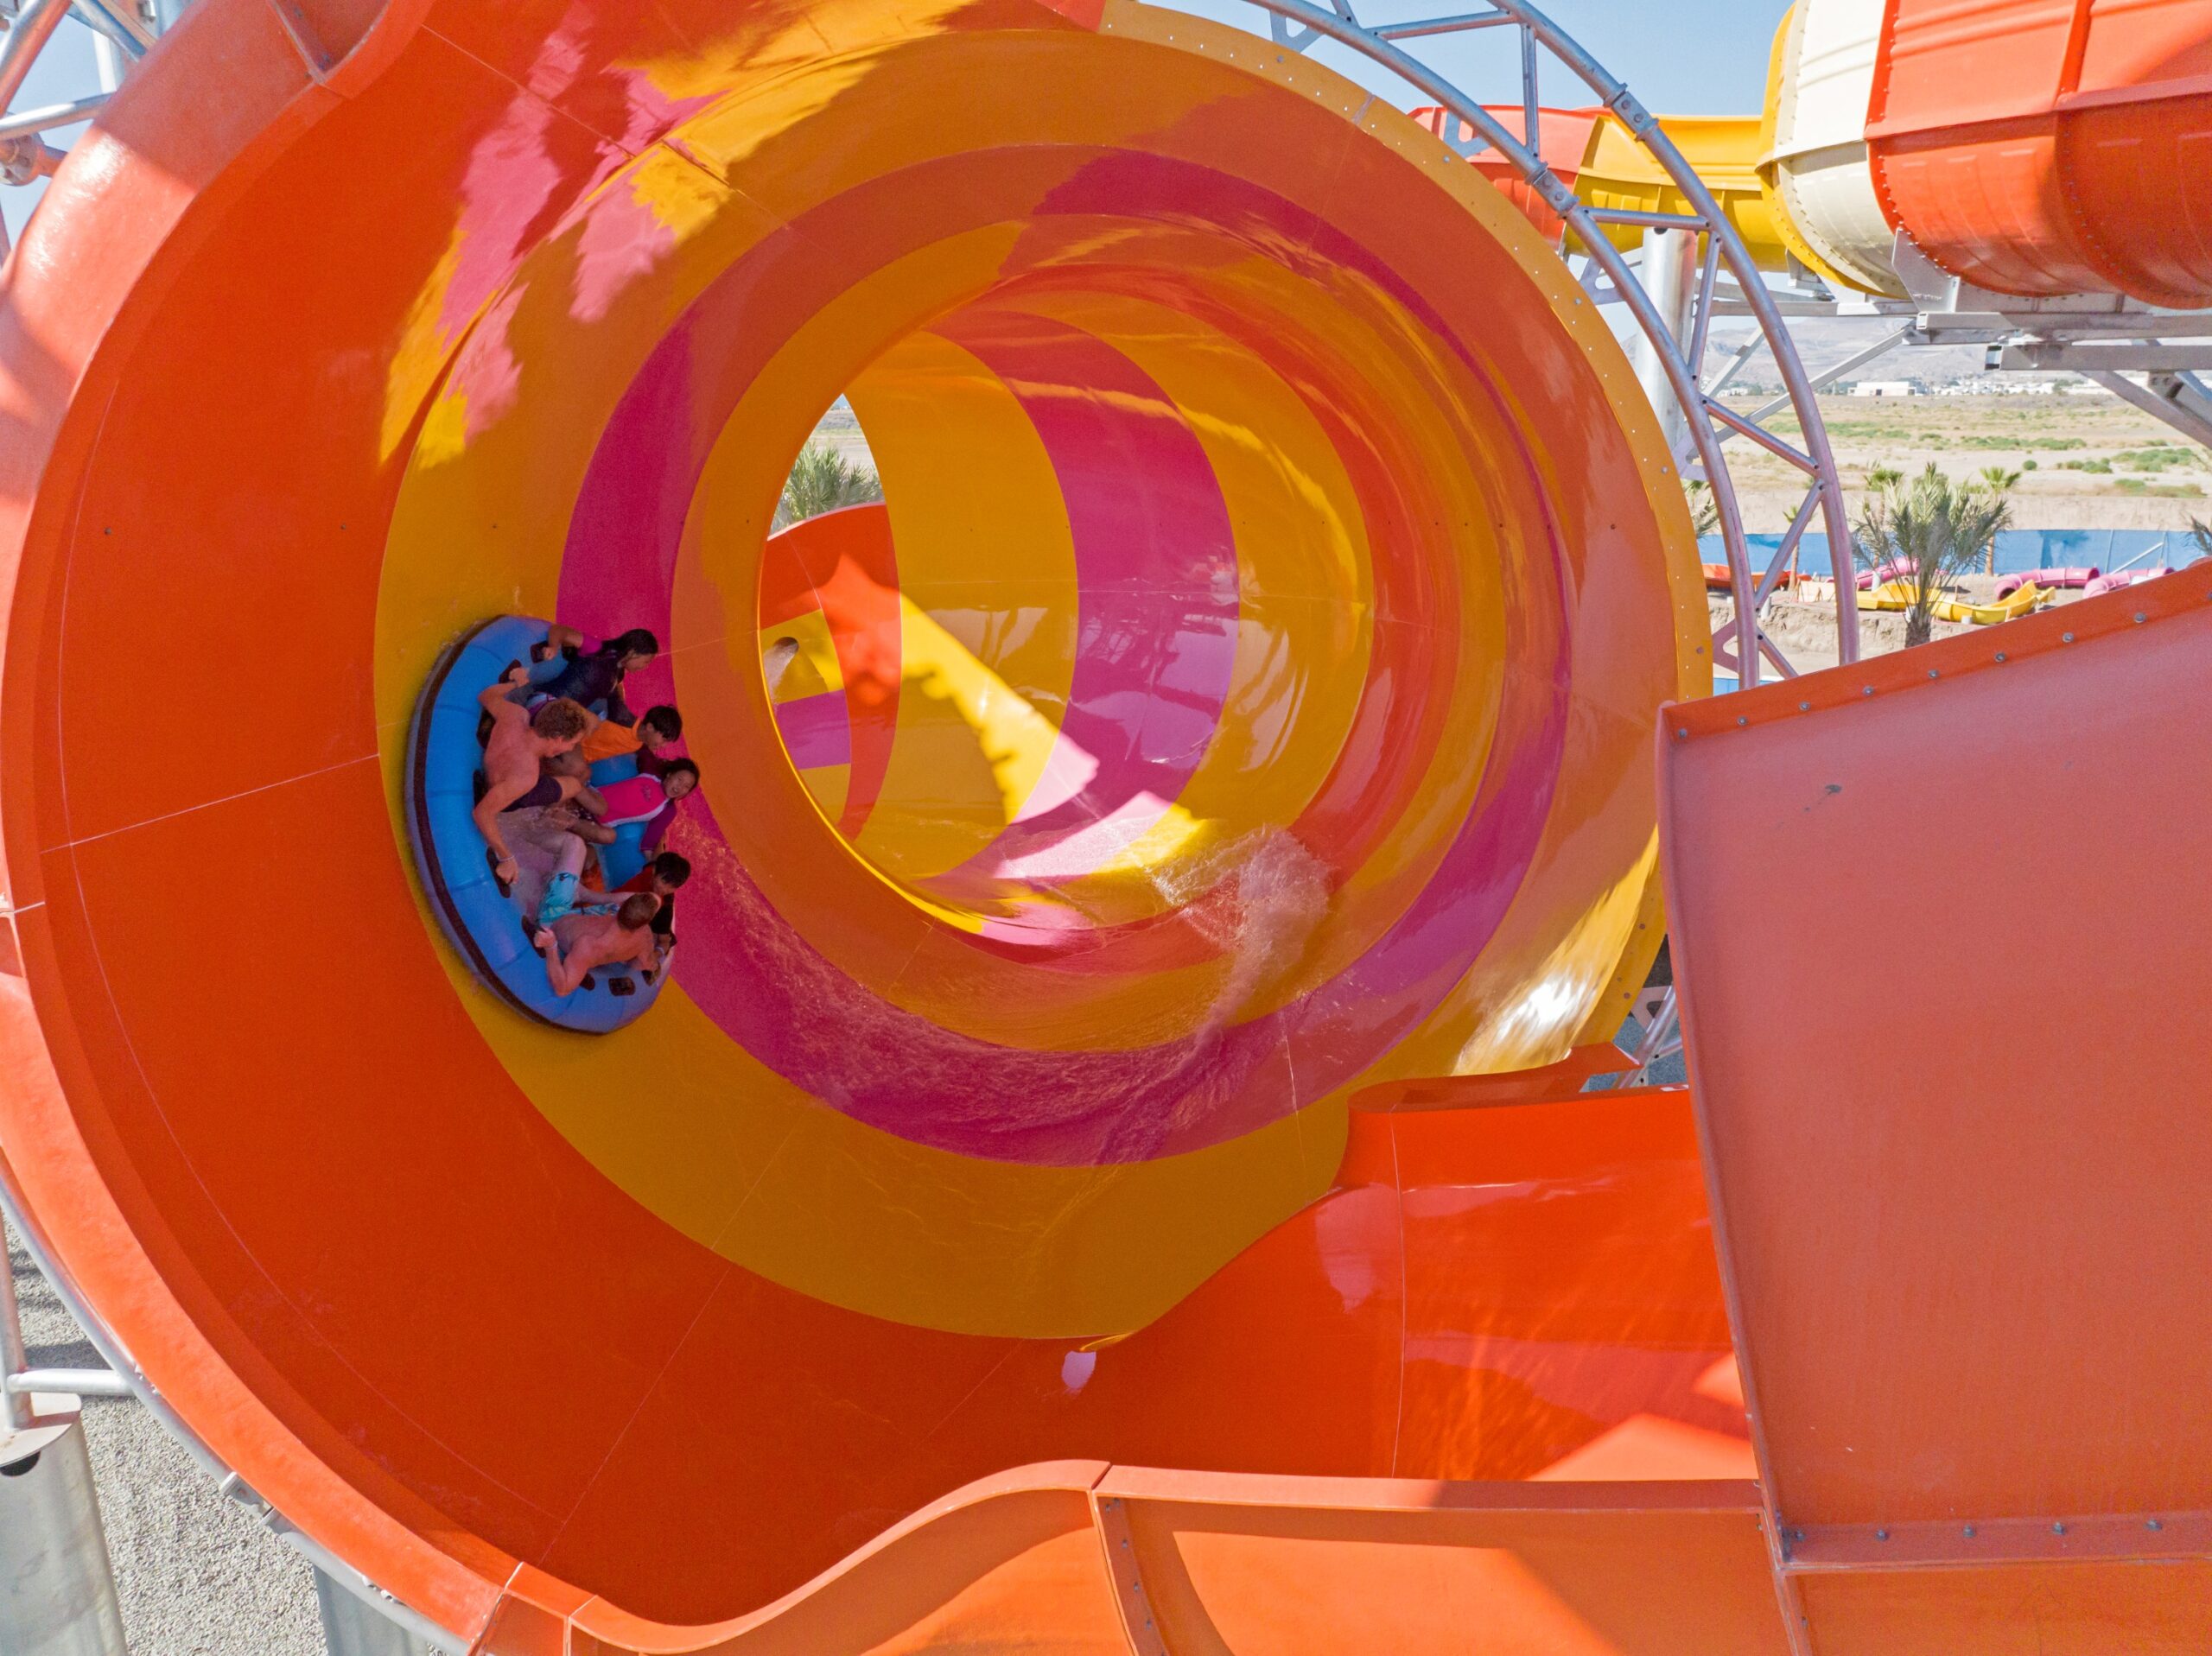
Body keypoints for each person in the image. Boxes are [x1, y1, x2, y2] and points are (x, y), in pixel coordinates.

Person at [474, 667, 588, 893]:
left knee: (569, 776)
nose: (571, 748)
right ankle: (554, 810)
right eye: (571, 743)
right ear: (557, 738)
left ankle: (556, 807)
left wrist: (515, 683)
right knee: (575, 784)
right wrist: (507, 857)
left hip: (499, 769)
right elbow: (482, 813)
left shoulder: (516, 715)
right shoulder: (527, 776)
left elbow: (486, 696)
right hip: (510, 792)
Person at [534, 892, 662, 997]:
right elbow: (643, 964)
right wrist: (659, 952)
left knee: (569, 869)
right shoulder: (645, 936)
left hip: (551, 921)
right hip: (595, 925)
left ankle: (583, 892)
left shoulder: (590, 944)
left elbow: (562, 989)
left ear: (622, 904)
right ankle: (583, 893)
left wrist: (551, 946)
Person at [531, 625, 658, 721]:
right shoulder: (599, 649)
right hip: (545, 702)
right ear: (633, 653)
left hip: (564, 718)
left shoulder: (618, 675)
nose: (645, 667)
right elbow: (558, 630)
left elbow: (616, 699)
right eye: (646, 661)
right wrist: (553, 646)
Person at [579, 703, 682, 766]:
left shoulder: (639, 746)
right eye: (664, 739)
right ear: (650, 727)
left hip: (583, 761)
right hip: (575, 744)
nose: (664, 745)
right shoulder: (623, 718)